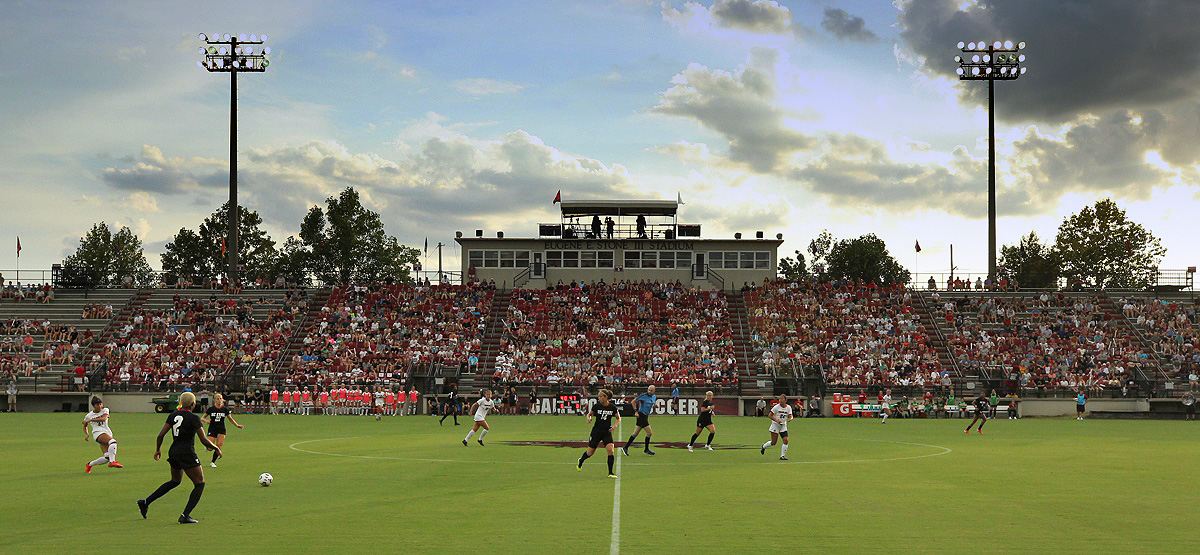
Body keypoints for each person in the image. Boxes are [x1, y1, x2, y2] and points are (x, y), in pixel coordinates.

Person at [138, 392, 221, 524]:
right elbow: (203, 440)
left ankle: (145, 502)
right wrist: (216, 448)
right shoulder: (194, 418)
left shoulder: (173, 415)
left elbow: (160, 435)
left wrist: (158, 450)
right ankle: (185, 515)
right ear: (193, 404)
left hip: (174, 452)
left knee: (175, 481)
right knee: (200, 484)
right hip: (187, 453)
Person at [577, 389, 620, 478]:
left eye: (600, 396)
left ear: (606, 397)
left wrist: (615, 426)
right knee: (590, 453)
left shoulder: (612, 407)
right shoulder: (597, 406)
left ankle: (610, 473)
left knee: (610, 451)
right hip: (596, 432)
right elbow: (589, 414)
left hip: (606, 432)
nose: (599, 398)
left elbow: (618, 418)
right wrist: (588, 418)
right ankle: (581, 460)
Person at [202, 394, 244, 468]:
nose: (219, 400)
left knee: (219, 445)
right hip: (212, 428)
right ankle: (207, 448)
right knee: (211, 447)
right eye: (217, 399)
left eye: (220, 399)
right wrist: (206, 421)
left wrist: (237, 425)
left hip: (221, 429)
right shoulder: (211, 409)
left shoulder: (225, 409)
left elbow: (230, 419)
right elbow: (202, 418)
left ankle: (213, 462)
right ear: (214, 400)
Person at [83, 397, 122, 473]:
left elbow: (103, 419)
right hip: (98, 433)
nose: (99, 406)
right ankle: (112, 462)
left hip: (106, 432)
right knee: (113, 442)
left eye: (100, 404)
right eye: (97, 404)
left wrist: (90, 420)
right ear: (93, 406)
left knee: (107, 457)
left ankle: (89, 465)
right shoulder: (89, 415)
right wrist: (87, 434)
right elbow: (85, 425)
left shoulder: (105, 410)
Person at [622, 385, 656, 456]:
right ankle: (646, 450)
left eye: (651, 390)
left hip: (645, 416)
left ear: (654, 391)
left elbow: (651, 403)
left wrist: (655, 405)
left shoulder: (654, 396)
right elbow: (633, 402)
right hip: (641, 415)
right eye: (648, 390)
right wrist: (636, 411)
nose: (649, 391)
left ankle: (625, 447)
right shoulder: (643, 396)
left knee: (635, 433)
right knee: (649, 433)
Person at [760, 394, 792, 461]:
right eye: (780, 399)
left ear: (785, 400)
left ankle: (782, 456)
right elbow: (770, 415)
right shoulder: (776, 407)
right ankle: (764, 446)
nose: (780, 400)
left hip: (783, 425)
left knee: (786, 440)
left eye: (782, 399)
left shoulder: (788, 407)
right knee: (774, 442)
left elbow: (790, 415)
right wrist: (776, 420)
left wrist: (791, 418)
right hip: (775, 425)